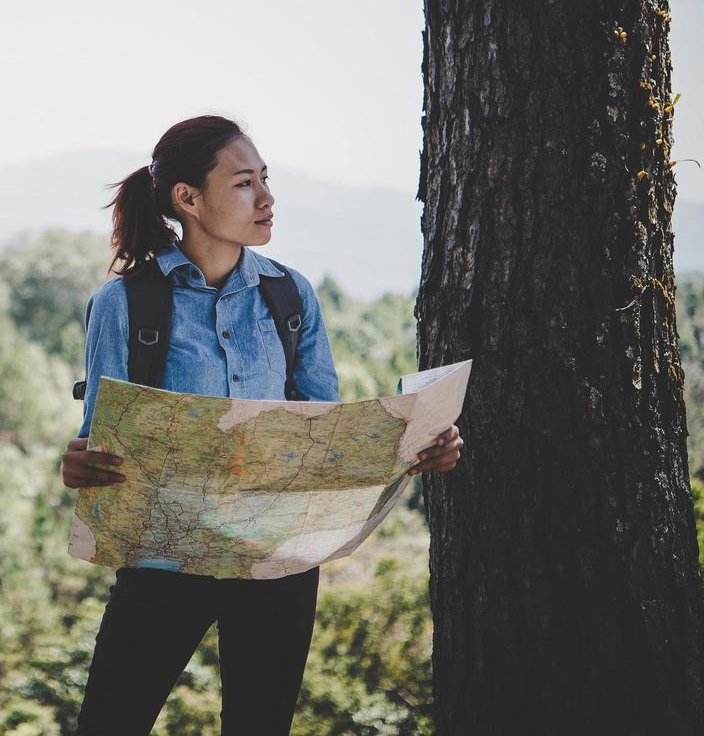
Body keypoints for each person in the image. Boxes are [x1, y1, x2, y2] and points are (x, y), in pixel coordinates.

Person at [61, 114, 463, 735]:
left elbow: (323, 432)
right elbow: (102, 442)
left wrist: (415, 445)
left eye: (265, 179)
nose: (268, 199)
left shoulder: (290, 296)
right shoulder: (124, 304)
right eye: (245, 183)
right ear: (187, 199)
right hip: (166, 564)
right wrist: (80, 463)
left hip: (277, 562)